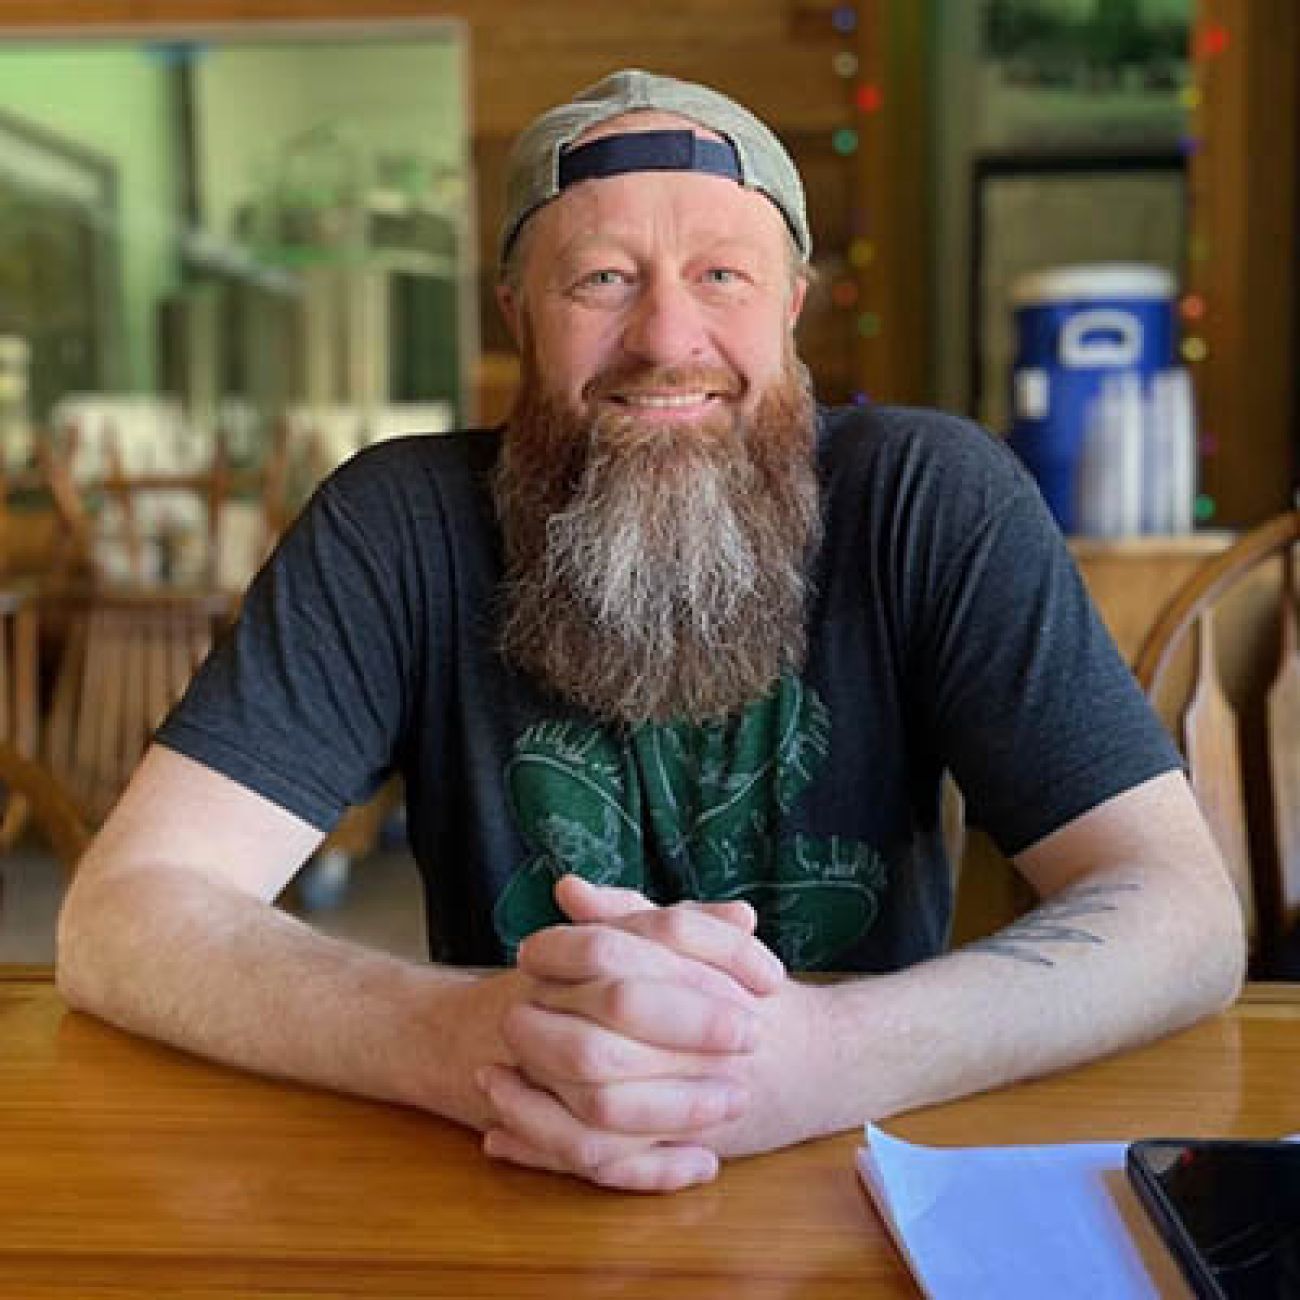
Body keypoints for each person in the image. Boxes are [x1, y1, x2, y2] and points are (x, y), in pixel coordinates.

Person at [56, 69, 1244, 1194]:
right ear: (519, 312)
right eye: (603, 280)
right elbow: (126, 914)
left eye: (722, 275)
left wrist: (828, 1054)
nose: (667, 338)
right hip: (504, 1161)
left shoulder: (928, 496)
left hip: (865, 1170)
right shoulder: (398, 524)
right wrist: (467, 1035)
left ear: (790, 306)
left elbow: (1180, 915)